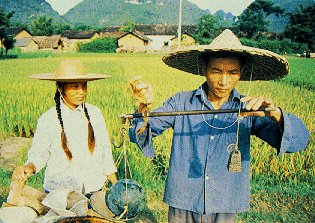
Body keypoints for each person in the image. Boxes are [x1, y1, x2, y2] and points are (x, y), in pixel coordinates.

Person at [128, 29, 310, 223]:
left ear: (241, 73)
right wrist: (143, 107)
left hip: (225, 198)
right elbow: (140, 133)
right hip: (184, 196)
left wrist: (275, 114)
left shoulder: (249, 108)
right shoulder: (180, 102)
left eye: (233, 72)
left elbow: (299, 141)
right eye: (216, 71)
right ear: (204, 68)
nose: (224, 81)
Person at [4, 60, 118, 221]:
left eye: (83, 85)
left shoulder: (95, 113)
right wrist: (28, 167)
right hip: (60, 194)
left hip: (94, 190)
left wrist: (116, 186)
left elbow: (106, 153)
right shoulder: (48, 119)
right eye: (74, 86)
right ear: (60, 87)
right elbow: (38, 155)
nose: (81, 92)